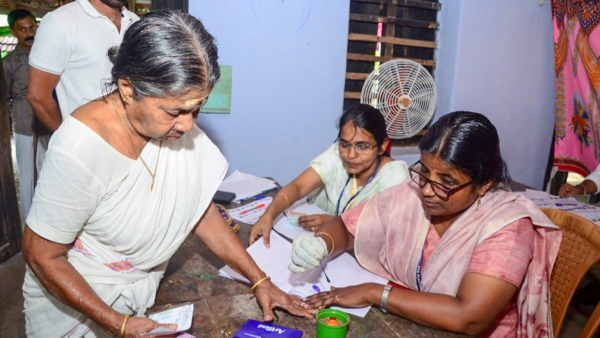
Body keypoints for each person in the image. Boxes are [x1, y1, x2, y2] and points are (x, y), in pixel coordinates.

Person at [22, 11, 310, 338]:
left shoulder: (168, 128)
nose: (188, 125)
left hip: (138, 295)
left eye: (196, 109)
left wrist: (260, 280)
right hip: (76, 304)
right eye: (174, 111)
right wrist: (119, 323)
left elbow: (196, 208)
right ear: (128, 88)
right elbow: (41, 255)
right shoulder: (79, 148)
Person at [288, 111, 562, 337]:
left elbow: (469, 317)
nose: (428, 190)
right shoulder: (410, 194)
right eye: (425, 172)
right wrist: (321, 243)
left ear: (483, 185)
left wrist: (373, 293)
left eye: (447, 182)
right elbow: (347, 228)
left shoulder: (507, 227)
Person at [249, 104, 410, 247]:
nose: (351, 154)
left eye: (362, 146)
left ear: (382, 146)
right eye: (344, 144)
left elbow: (384, 234)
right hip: (315, 240)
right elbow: (298, 187)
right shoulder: (337, 153)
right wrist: (269, 214)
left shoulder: (395, 178)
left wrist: (337, 224)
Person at [26, 0, 139, 132]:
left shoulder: (135, 22)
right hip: (86, 142)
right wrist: (67, 139)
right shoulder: (59, 22)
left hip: (133, 140)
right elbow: (38, 97)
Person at [3, 9, 50, 218]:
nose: (29, 33)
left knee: (50, 172)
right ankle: (31, 227)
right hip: (26, 125)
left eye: (32, 27)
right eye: (22, 29)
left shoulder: (48, 56)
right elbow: (5, 97)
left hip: (50, 121)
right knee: (29, 178)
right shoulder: (9, 63)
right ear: (13, 32)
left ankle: (48, 220)